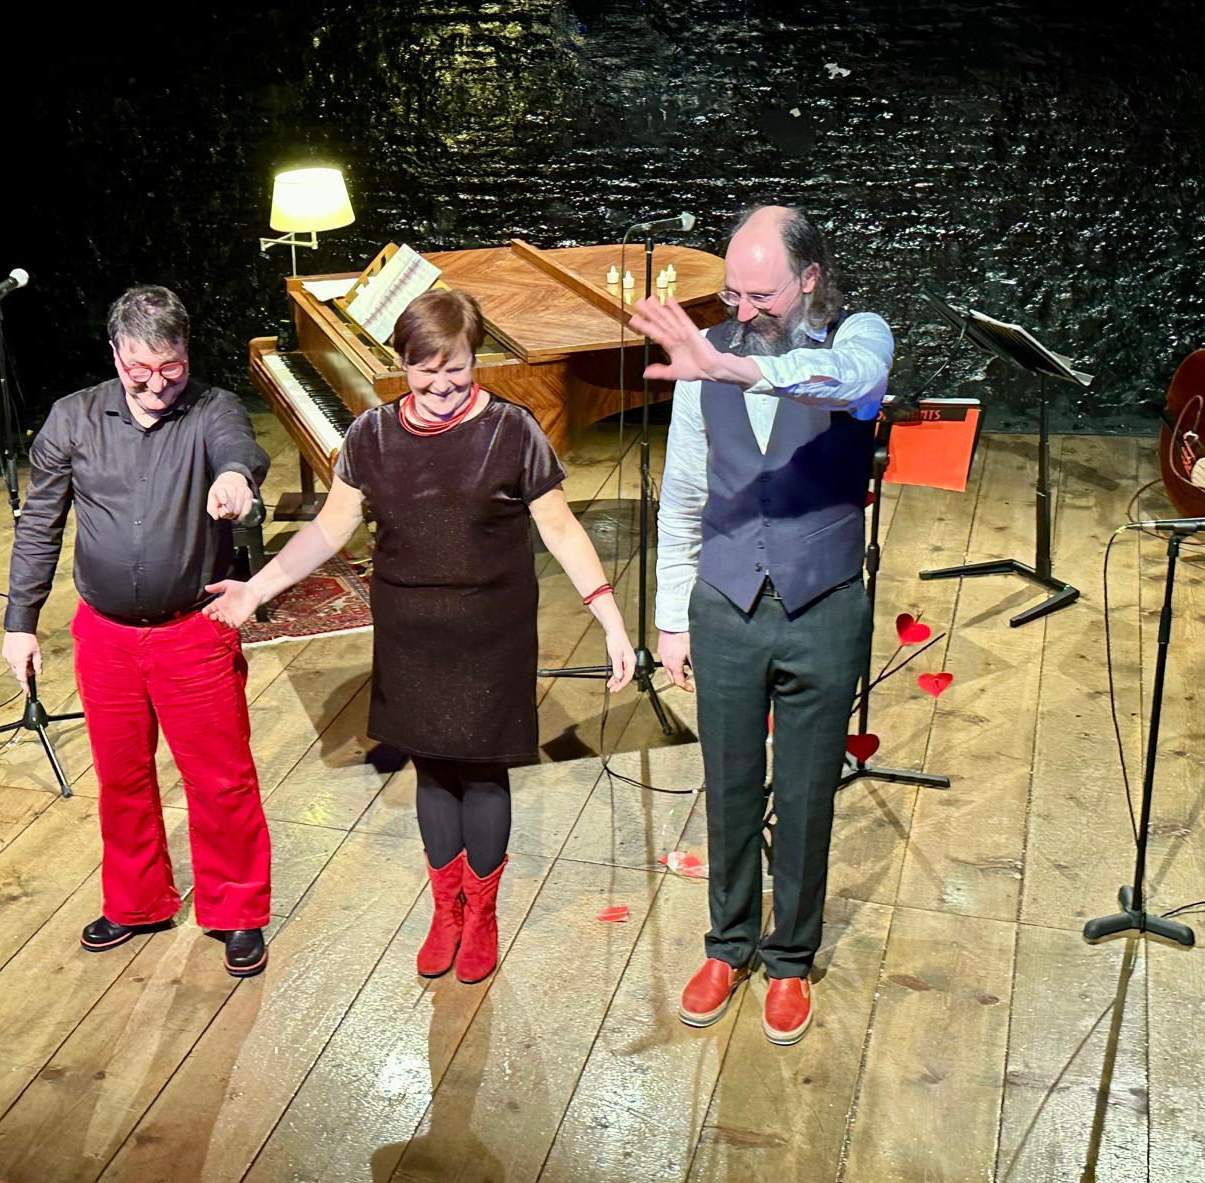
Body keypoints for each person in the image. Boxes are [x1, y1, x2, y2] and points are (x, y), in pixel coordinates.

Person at [205, 289, 635, 983]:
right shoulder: (372, 435)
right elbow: (330, 528)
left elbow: (559, 527)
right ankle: (447, 912)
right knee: (432, 767)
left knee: (483, 770)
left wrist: (609, 618)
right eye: (424, 371)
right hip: (411, 632)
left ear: (476, 360)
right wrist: (256, 588)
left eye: (455, 370)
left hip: (492, 632)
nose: (440, 386)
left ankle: (483, 915)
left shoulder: (511, 430)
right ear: (401, 363)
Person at [629, 205, 890, 1045]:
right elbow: (684, 494)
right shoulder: (707, 353)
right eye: (732, 295)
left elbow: (847, 381)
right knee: (731, 786)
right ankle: (728, 945)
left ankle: (789, 960)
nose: (743, 313)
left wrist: (733, 369)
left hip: (823, 607)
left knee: (808, 797)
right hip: (727, 603)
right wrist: (673, 619)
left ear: (809, 278)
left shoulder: (860, 337)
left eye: (762, 296)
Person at [2, 284, 273, 977]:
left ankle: (236, 911)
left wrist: (235, 480)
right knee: (121, 778)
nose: (156, 385)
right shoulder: (72, 419)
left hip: (193, 631)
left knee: (220, 781)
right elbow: (40, 526)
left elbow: (238, 451)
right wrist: (19, 623)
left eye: (170, 368)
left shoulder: (213, 409)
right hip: (106, 636)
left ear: (187, 353)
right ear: (115, 354)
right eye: (139, 369)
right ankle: (137, 901)